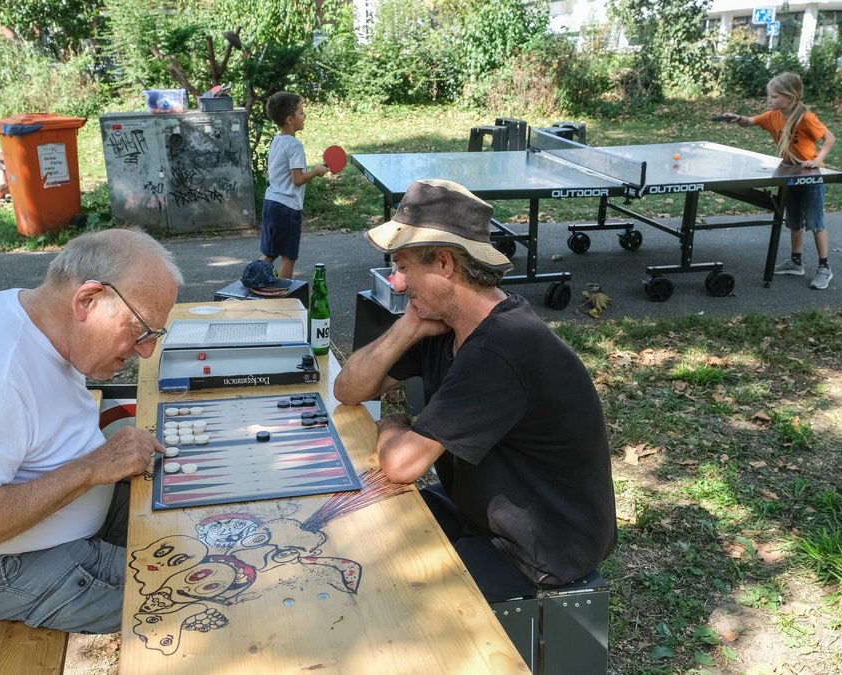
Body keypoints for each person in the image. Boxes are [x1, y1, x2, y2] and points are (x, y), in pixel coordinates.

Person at [333, 179, 617, 602]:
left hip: (537, 549)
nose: (398, 282)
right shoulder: (444, 323)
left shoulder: (503, 347)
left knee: (381, 597)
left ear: (445, 263)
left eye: (405, 266)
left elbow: (401, 464)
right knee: (355, 533)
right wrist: (408, 325)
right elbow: (348, 388)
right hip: (478, 514)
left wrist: (392, 423)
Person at [0, 228, 182, 634]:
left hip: (59, 527)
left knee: (197, 527)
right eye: (140, 330)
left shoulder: (31, 315)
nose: (145, 351)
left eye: (153, 335)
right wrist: (91, 467)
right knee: (201, 598)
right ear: (87, 300)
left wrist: (98, 467)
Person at [724, 72, 837, 290]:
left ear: (790, 97)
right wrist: (738, 118)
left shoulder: (806, 118)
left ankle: (824, 268)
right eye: (770, 96)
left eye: (774, 97)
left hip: (810, 178)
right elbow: (750, 122)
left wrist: (817, 160)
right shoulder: (773, 116)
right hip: (789, 175)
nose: (770, 100)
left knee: (816, 223)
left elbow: (830, 138)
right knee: (794, 222)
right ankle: (796, 263)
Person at [259, 91, 329, 280]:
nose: (304, 116)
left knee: (269, 253)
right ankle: (284, 300)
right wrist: (315, 171)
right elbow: (297, 179)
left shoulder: (277, 140)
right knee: (288, 258)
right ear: (290, 119)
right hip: (287, 208)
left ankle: (252, 283)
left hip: (271, 203)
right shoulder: (294, 145)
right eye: (301, 111)